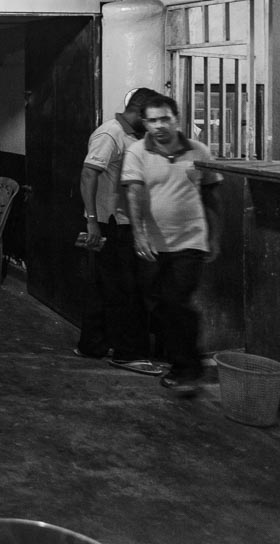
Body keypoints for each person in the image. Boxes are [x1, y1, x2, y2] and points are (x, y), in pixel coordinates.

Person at [123, 95, 222, 394]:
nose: (159, 126)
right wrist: (139, 234)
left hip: (190, 241)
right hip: (153, 244)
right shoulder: (137, 152)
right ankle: (183, 361)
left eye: (165, 118)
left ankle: (187, 369)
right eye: (152, 120)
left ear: (176, 118)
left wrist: (214, 237)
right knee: (162, 304)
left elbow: (212, 197)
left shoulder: (198, 150)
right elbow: (134, 194)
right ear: (145, 123)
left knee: (176, 301)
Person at [76, 86, 163, 375]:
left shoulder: (133, 135)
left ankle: (92, 345)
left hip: (124, 221)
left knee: (105, 285)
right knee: (127, 289)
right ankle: (128, 353)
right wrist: (91, 220)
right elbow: (89, 173)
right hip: (112, 223)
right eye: (149, 118)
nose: (153, 125)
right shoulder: (110, 133)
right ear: (138, 112)